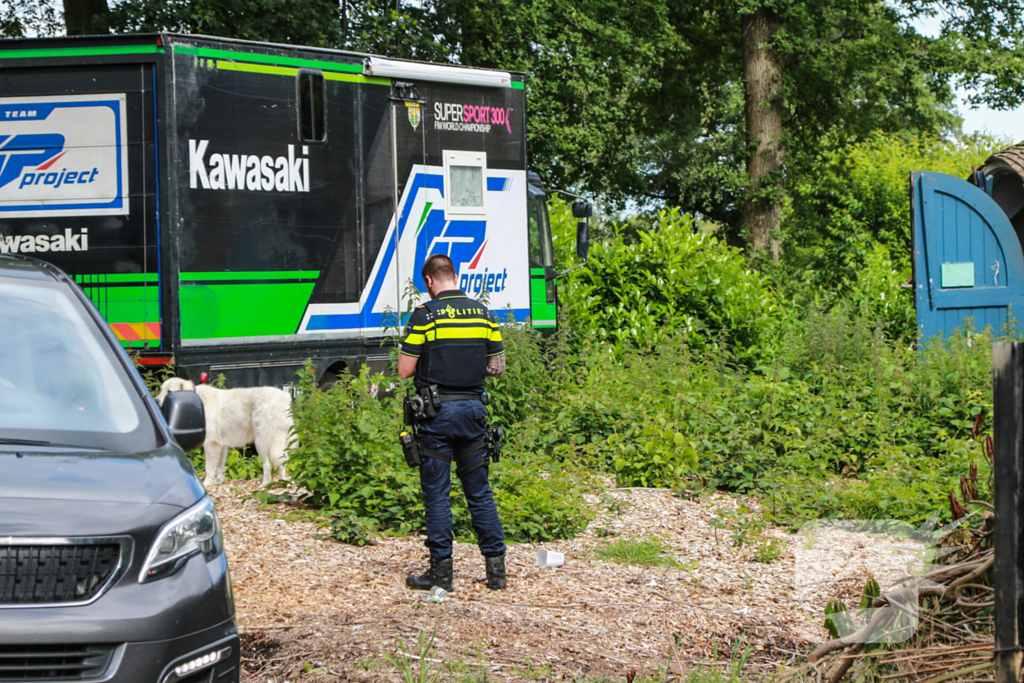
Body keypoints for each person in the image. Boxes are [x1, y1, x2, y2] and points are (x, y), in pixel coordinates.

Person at [398, 253, 507, 592]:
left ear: (429, 280)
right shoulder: (484, 313)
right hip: (474, 410)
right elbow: (497, 366)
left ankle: (442, 575)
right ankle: (496, 574)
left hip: (436, 414)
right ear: (454, 275)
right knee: (479, 492)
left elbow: (405, 370)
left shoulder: (424, 315)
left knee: (437, 494)